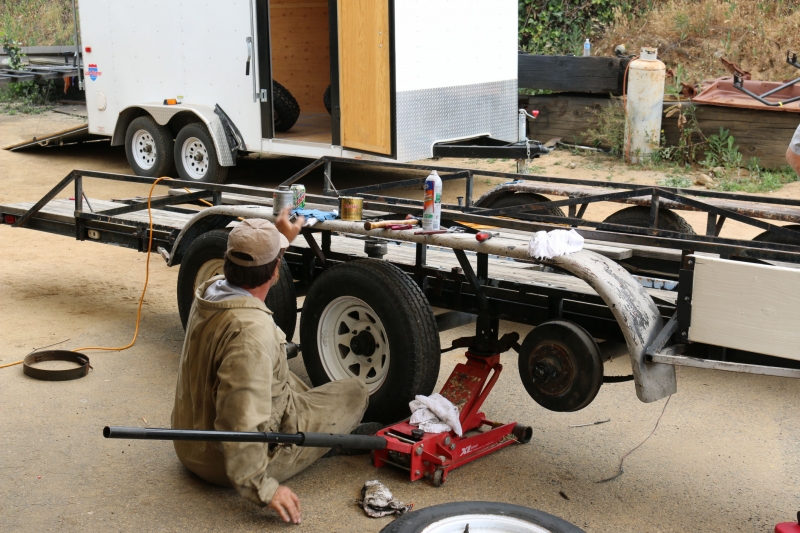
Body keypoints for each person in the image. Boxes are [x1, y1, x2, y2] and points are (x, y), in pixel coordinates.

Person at [171, 210, 370, 525]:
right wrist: (262, 486)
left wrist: (279, 243)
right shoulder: (252, 336)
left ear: (228, 262)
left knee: (283, 376)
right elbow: (239, 423)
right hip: (219, 462)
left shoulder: (212, 289)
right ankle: (322, 444)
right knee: (354, 393)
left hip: (188, 438)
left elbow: (255, 265)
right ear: (276, 271)